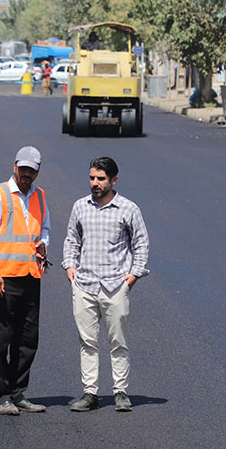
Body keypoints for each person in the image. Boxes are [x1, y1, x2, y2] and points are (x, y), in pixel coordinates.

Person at [62, 156, 149, 412]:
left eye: (101, 178)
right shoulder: (80, 207)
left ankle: (120, 392)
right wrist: (70, 266)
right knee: (87, 341)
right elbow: (71, 240)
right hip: (84, 284)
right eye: (92, 178)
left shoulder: (128, 209)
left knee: (117, 341)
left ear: (114, 180)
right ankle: (90, 393)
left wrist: (133, 276)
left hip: (115, 285)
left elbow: (141, 244)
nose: (95, 183)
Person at [0, 146, 50, 416]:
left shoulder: (40, 196)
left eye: (31, 171)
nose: (27, 175)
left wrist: (44, 244)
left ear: (37, 171)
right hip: (5, 278)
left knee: (27, 339)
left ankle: (18, 392)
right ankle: (1, 397)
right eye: (23, 169)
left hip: (32, 275)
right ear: (15, 167)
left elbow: (44, 228)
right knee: (1, 339)